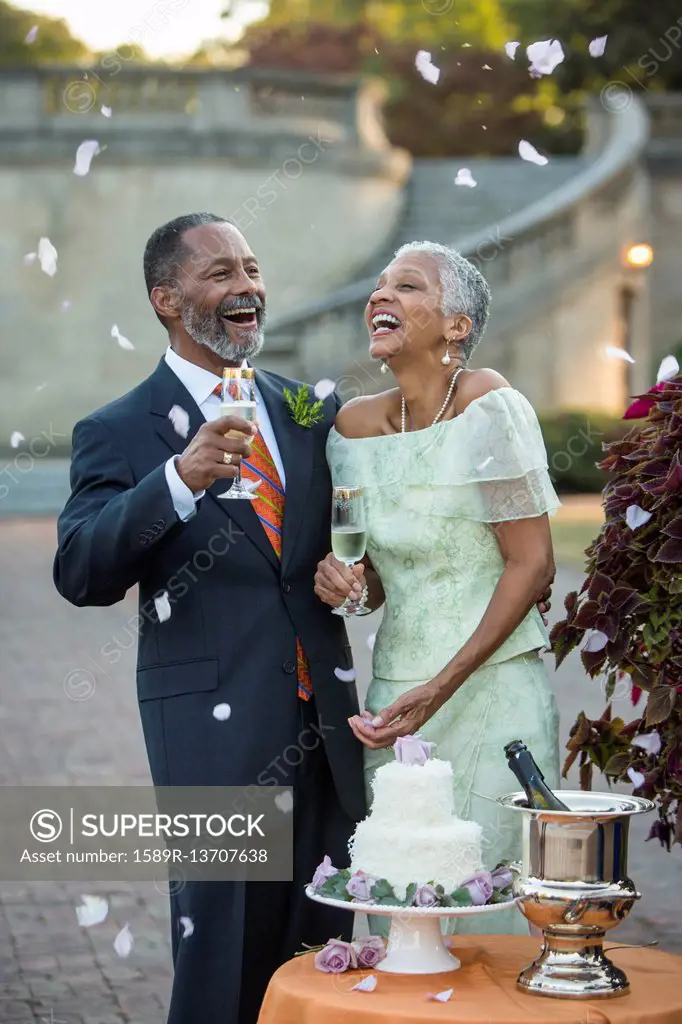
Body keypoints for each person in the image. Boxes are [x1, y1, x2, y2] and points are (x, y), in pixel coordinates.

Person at [53, 213, 366, 1023]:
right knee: (222, 949)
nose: (247, 288)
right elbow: (81, 571)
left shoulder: (304, 412)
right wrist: (177, 480)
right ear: (167, 298)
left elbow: (342, 549)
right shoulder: (119, 430)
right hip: (212, 732)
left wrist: (354, 576)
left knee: (324, 949)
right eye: (220, 273)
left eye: (252, 270)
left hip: (327, 726)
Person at [315, 240, 561, 936]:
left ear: (457, 326)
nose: (380, 296)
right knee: (405, 905)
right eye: (380, 284)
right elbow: (377, 584)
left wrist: (443, 684)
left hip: (490, 689)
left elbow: (532, 564)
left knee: (488, 907)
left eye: (408, 286)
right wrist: (348, 587)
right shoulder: (350, 430)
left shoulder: (490, 408)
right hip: (397, 698)